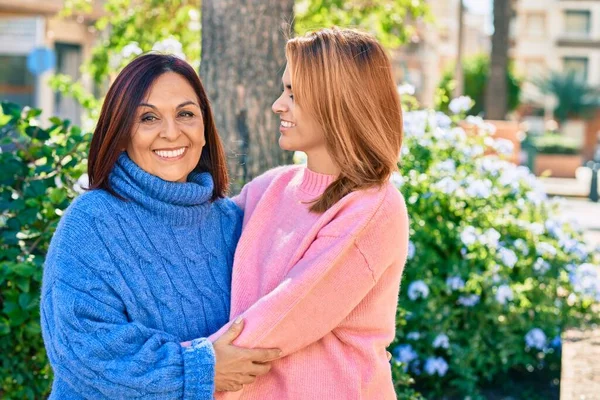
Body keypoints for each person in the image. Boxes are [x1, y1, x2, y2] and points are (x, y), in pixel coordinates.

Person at [40, 54, 280, 399]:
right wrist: (200, 369)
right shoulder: (91, 223)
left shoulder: (232, 223)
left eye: (185, 114)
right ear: (122, 133)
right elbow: (84, 353)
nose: (171, 133)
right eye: (148, 117)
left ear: (204, 129)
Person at [210, 27, 409, 399]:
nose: (277, 105)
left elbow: (285, 314)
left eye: (293, 94)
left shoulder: (374, 208)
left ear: (338, 102)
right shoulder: (272, 187)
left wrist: (188, 371)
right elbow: (197, 239)